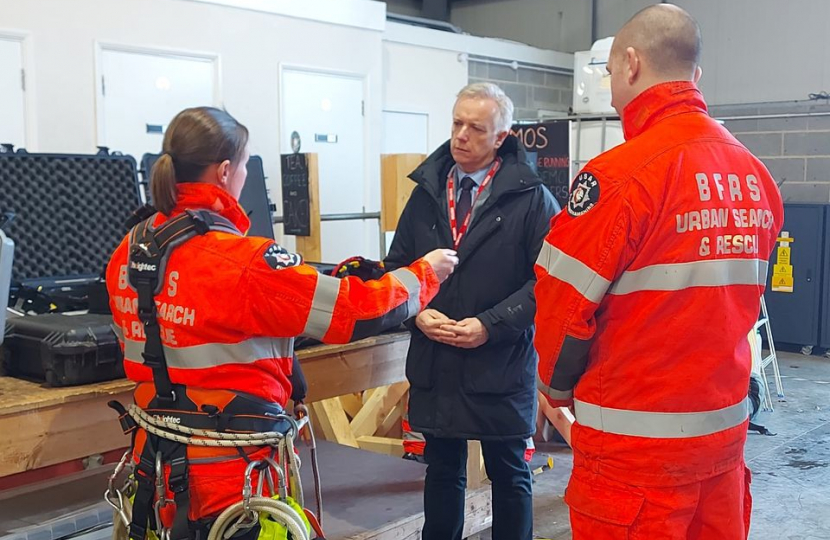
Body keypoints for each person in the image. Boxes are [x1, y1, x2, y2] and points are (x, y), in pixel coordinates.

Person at [106, 106, 458, 536]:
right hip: (231, 478)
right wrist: (425, 274)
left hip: (155, 467)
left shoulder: (130, 251)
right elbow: (353, 311)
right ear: (224, 172)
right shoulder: (244, 262)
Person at [534, 5, 783, 539]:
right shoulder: (755, 174)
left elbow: (562, 305)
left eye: (608, 75)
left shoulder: (620, 178)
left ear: (629, 64)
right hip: (722, 443)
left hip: (633, 461)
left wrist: (554, 390)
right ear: (695, 76)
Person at [385, 82, 559, 540]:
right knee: (441, 472)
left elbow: (548, 283)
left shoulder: (533, 200)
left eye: (476, 128)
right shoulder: (425, 193)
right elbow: (394, 268)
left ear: (501, 137)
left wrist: (489, 324)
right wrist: (415, 312)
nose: (461, 136)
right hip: (437, 360)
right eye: (456, 123)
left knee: (509, 474)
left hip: (500, 363)